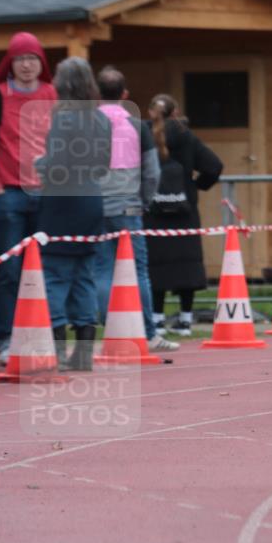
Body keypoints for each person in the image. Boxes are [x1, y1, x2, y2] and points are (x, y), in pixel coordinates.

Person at [94, 66, 179, 352]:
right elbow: (152, 171)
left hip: (97, 205)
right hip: (130, 205)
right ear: (125, 94)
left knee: (103, 269)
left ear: (96, 95)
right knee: (138, 270)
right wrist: (144, 200)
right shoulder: (137, 126)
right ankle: (148, 332)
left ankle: (112, 331)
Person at [35, 58, 111, 371]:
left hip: (62, 203)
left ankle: (58, 348)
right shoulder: (101, 119)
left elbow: (58, 166)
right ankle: (82, 352)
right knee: (84, 276)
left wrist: (40, 163)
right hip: (92, 200)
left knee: (55, 275)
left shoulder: (63, 119)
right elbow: (103, 166)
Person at [0, 31, 57, 363]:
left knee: (43, 268)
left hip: (43, 193)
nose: (27, 65)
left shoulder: (50, 94)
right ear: (10, 64)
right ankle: (4, 338)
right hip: (7, 195)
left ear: (41, 63)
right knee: (8, 270)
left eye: (33, 59)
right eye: (20, 59)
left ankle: (39, 335)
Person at [144, 94, 223, 336]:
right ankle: (186, 321)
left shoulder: (144, 135)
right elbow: (214, 166)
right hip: (184, 212)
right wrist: (196, 186)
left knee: (155, 265)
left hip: (153, 212)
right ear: (175, 112)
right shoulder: (187, 137)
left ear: (150, 113)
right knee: (186, 266)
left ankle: (156, 319)